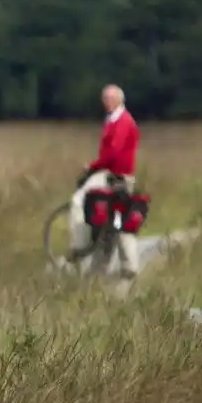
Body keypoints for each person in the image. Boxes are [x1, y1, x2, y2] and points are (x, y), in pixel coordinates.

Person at [67, 84, 141, 279]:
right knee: (116, 222)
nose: (105, 102)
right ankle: (119, 268)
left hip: (113, 175)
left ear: (119, 99)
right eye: (104, 98)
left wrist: (92, 167)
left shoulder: (122, 122)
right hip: (121, 176)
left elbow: (113, 154)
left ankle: (79, 245)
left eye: (109, 98)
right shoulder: (116, 120)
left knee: (79, 200)